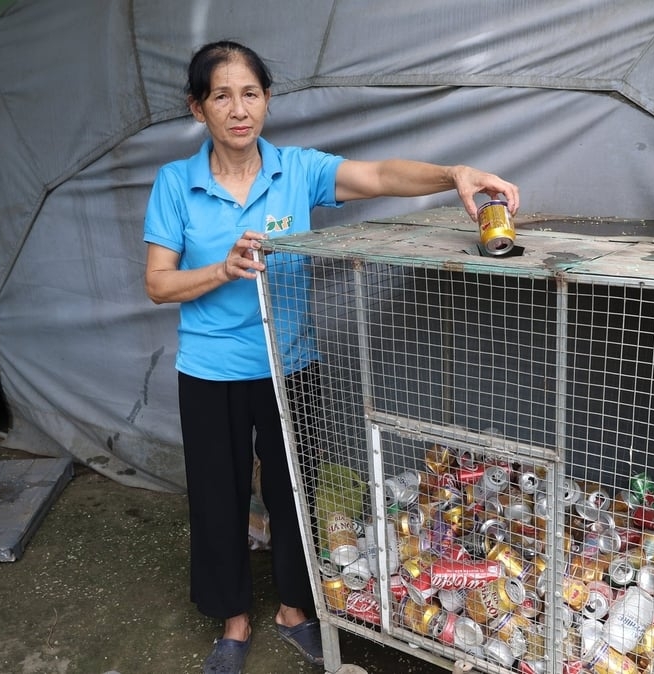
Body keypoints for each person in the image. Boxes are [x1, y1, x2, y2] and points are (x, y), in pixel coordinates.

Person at [142, 40, 520, 674]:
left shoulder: (296, 169)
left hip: (291, 363)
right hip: (210, 371)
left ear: (266, 100)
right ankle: (233, 621)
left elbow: (376, 175)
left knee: (295, 490)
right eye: (222, 96)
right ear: (198, 108)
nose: (240, 110)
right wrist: (222, 270)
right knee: (217, 494)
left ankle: (294, 609)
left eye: (252, 93)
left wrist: (452, 174)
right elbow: (158, 283)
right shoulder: (176, 184)